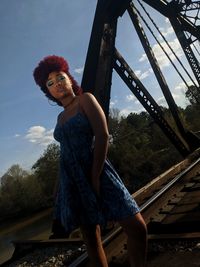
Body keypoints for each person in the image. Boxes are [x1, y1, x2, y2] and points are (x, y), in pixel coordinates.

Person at [33, 55, 147, 267]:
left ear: (69, 78)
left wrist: (95, 176)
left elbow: (102, 135)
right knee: (91, 239)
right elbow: (65, 152)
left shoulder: (86, 100)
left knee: (137, 228)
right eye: (49, 83)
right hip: (72, 181)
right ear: (47, 92)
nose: (56, 84)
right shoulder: (60, 118)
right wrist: (58, 185)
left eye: (60, 77)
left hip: (97, 169)